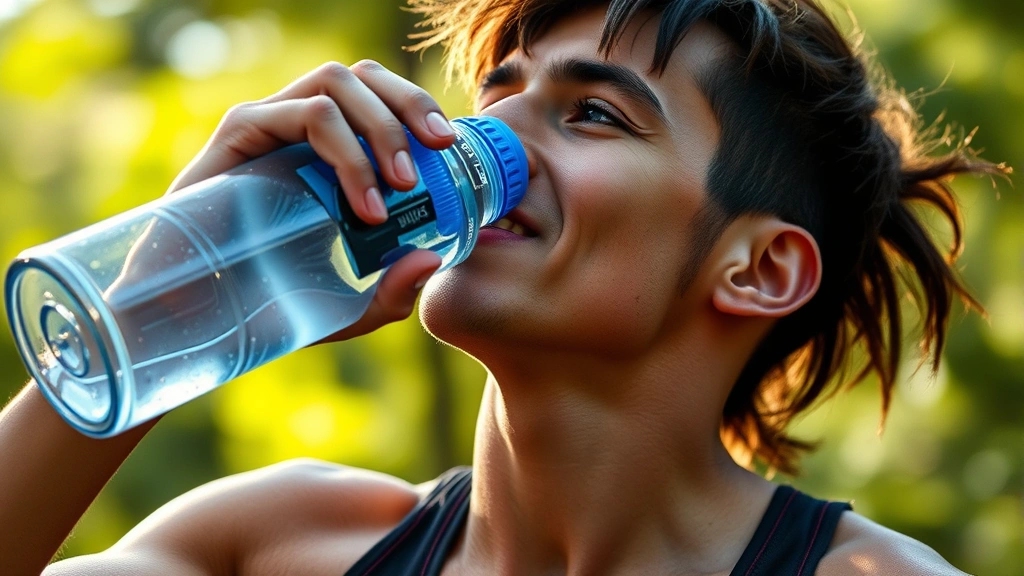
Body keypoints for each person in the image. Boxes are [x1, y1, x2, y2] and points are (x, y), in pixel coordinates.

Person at [0, 0, 1009, 574]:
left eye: (596, 117)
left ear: (758, 268)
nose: (487, 138)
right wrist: (157, 309)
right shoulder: (276, 544)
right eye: (499, 91)